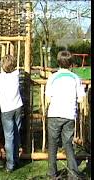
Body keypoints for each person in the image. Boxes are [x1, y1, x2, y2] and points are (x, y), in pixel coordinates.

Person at [45, 51, 85, 179]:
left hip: (54, 114)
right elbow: (80, 99)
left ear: (58, 62)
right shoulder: (75, 78)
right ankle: (72, 173)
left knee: (52, 144)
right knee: (68, 144)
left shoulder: (52, 77)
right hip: (69, 115)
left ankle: (52, 172)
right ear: (71, 64)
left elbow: (48, 98)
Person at [0, 55, 23, 173]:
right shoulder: (16, 74)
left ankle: (10, 164)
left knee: (9, 137)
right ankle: (16, 159)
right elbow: (13, 69)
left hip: (6, 109)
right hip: (17, 107)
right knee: (17, 134)